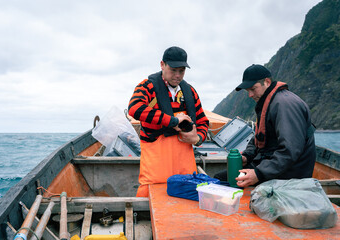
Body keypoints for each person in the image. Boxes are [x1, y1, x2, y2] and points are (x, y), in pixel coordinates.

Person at [214, 64, 316, 188]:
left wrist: (259, 173)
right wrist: (247, 156)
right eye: (248, 91)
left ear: (267, 82)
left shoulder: (284, 105)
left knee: (223, 182)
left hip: (290, 174)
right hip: (273, 166)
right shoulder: (269, 102)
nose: (250, 95)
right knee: (221, 179)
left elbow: (290, 150)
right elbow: (258, 136)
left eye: (253, 89)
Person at [128, 46, 209, 197]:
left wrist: (197, 138)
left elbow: (203, 121)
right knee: (151, 198)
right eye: (173, 70)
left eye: (181, 71)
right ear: (162, 65)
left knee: (186, 199)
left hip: (184, 161)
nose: (177, 75)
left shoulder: (190, 91)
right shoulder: (147, 86)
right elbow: (134, 108)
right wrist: (172, 121)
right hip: (156, 162)